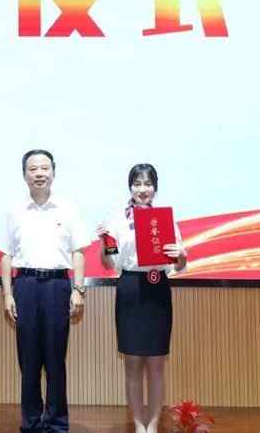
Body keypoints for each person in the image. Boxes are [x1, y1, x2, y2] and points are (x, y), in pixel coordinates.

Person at [0, 149, 90, 433]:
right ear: (24, 175)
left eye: (44, 168)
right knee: (28, 360)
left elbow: (78, 252)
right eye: (33, 169)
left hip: (57, 286)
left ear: (53, 172)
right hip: (25, 285)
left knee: (55, 359)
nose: (39, 174)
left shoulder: (68, 208)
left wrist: (78, 289)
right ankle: (31, 423)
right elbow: (6, 256)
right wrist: (7, 294)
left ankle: (56, 423)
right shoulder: (15, 210)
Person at [95, 164, 188, 433]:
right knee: (133, 365)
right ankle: (138, 425)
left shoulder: (166, 220)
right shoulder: (118, 220)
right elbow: (109, 264)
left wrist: (182, 256)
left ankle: (153, 425)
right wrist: (103, 242)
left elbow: (178, 265)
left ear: (155, 188)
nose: (142, 189)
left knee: (156, 365)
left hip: (157, 290)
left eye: (148, 184)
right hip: (130, 289)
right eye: (137, 184)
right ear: (130, 187)